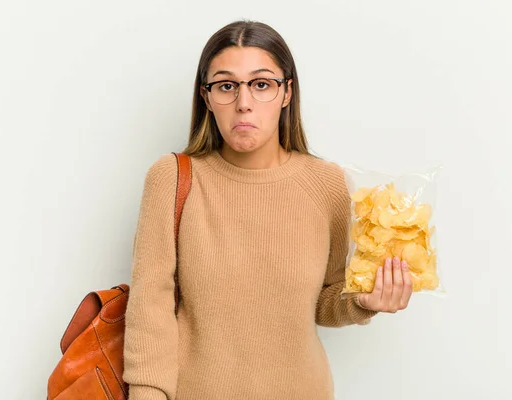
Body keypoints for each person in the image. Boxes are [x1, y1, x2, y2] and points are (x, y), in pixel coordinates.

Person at [122, 20, 413, 400]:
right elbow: (150, 307)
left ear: (287, 92)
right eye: (226, 85)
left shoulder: (327, 184)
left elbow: (325, 301)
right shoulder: (173, 179)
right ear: (206, 97)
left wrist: (362, 301)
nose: (244, 102)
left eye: (261, 84)